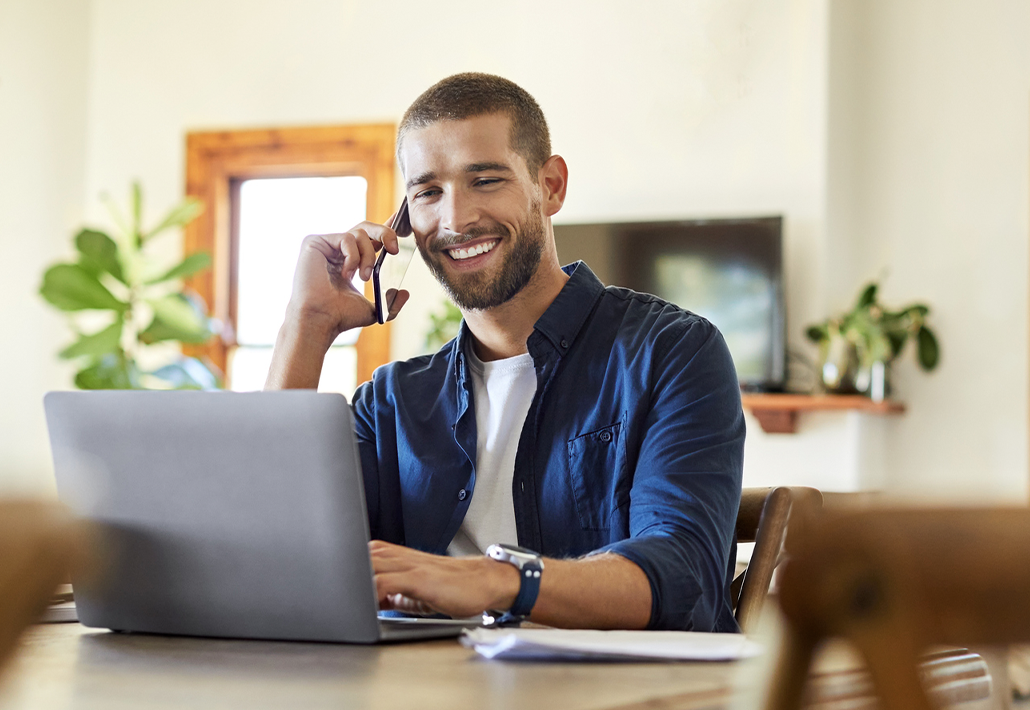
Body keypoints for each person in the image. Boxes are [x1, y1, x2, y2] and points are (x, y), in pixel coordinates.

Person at [266, 73, 745, 632]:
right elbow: (268, 541)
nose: (455, 219)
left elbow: (682, 575)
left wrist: (492, 580)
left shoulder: (673, 352)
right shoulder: (393, 402)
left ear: (551, 186)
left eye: (486, 180)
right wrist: (308, 324)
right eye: (427, 192)